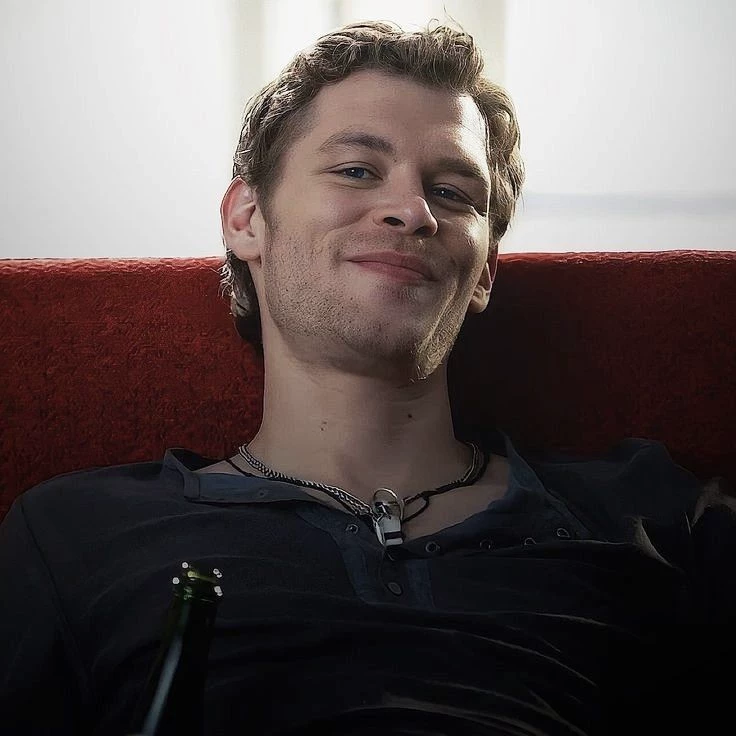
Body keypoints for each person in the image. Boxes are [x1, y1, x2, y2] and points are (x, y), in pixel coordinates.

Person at [0, 19, 734, 736]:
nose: (413, 211)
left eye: (453, 192)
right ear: (247, 219)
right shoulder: (74, 534)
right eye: (356, 170)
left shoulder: (656, 512)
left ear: (485, 271)